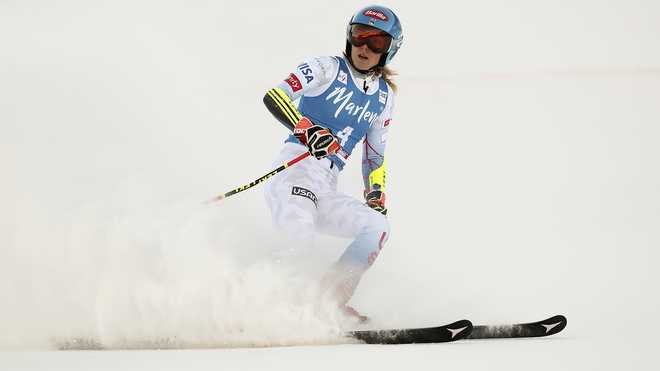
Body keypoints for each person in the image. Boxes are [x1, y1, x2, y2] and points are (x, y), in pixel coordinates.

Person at [262, 5, 403, 322]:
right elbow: (276, 96)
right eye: (359, 35)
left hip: (325, 186)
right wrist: (308, 129)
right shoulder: (324, 68)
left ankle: (330, 301)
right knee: (300, 244)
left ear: (389, 50)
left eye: (376, 42)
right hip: (294, 172)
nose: (365, 47)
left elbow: (375, 153)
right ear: (349, 36)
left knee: (377, 226)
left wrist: (376, 191)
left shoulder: (384, 96)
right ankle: (260, 305)